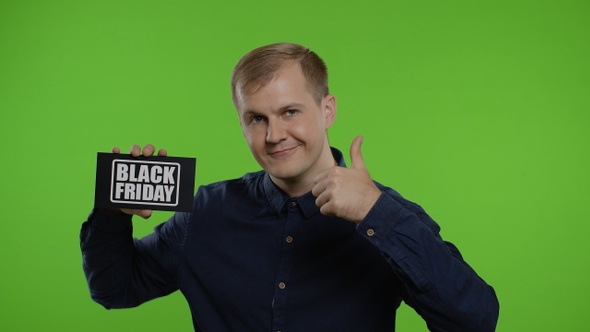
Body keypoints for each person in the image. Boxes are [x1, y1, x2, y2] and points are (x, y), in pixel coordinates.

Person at [81, 42, 499, 331]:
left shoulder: (386, 213)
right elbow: (113, 288)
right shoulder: (204, 213)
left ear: (327, 109)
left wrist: (377, 214)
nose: (275, 134)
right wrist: (113, 213)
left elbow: (474, 321)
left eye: (290, 111)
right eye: (256, 118)